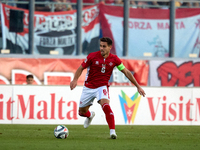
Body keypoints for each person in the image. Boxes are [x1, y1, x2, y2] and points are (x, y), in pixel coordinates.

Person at [70, 37, 146, 139]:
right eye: (100, 46)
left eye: (104, 46)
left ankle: (112, 132)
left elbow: (126, 72)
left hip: (102, 87)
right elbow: (81, 68)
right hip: (89, 87)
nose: (102, 48)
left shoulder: (114, 59)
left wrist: (138, 86)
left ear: (110, 47)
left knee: (106, 106)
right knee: (81, 112)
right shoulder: (92, 56)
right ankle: (90, 115)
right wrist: (75, 80)